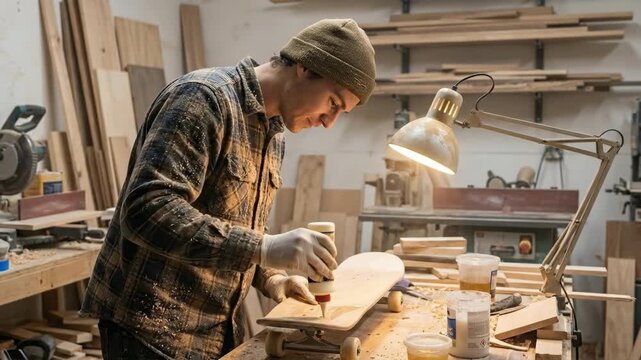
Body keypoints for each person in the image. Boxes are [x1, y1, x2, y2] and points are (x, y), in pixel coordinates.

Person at [81, 18, 376, 359]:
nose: (329, 122)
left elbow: (234, 222)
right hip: (150, 330)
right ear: (306, 68)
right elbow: (148, 209)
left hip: (213, 330)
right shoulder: (204, 99)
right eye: (333, 103)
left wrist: (272, 277)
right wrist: (265, 247)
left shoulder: (272, 134)